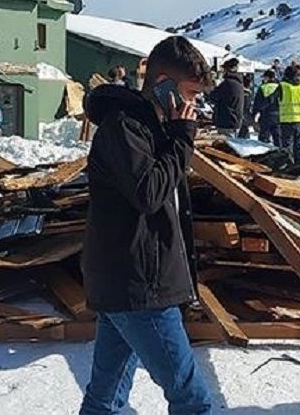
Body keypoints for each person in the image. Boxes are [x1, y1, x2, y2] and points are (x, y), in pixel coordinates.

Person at [80, 36, 214, 415]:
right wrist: (181, 141)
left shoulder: (152, 127)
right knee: (193, 401)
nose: (193, 106)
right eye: (188, 94)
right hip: (139, 286)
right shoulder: (125, 129)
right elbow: (150, 193)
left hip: (131, 281)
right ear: (162, 86)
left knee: (104, 400)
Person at [277, 66, 300, 166]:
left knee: (287, 147)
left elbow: (272, 102)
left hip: (286, 121)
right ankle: (299, 167)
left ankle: (289, 168)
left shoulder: (282, 86)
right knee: (299, 146)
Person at [207, 58, 246, 138]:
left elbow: (212, 97)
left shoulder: (227, 84)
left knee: (226, 146)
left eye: (224, 69)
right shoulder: (238, 83)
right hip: (235, 121)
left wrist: (209, 89)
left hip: (226, 121)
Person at [252, 70, 281, 145]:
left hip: (266, 116)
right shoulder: (280, 87)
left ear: (268, 78)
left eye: (264, 77)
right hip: (279, 116)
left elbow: (257, 103)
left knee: (263, 139)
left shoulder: (263, 87)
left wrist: (253, 115)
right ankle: (280, 154)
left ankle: (264, 154)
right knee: (278, 138)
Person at [238, 73, 255, 139]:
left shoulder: (240, 91)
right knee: (244, 128)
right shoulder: (249, 93)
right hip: (246, 113)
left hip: (240, 112)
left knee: (243, 129)